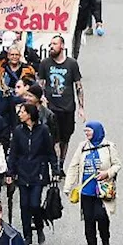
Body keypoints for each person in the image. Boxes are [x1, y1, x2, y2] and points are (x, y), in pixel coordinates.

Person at [64, 121, 121, 245]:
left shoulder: (109, 147)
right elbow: (74, 166)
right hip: (86, 189)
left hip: (103, 189)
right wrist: (68, 186)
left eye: (89, 131)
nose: (86, 134)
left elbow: (117, 165)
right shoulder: (82, 147)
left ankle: (105, 241)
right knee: (88, 218)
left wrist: (107, 173)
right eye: (85, 131)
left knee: (101, 216)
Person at [8, 103, 59, 245]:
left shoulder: (43, 130)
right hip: (22, 171)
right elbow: (13, 153)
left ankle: (39, 226)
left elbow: (50, 151)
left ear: (30, 114)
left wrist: (55, 169)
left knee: (34, 204)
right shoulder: (18, 131)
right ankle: (27, 235)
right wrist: (10, 172)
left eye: (23, 112)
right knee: (24, 205)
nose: (20, 114)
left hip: (39, 171)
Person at [37, 35, 84, 165]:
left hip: (67, 107)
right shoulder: (45, 63)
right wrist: (41, 99)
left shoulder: (72, 64)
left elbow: (78, 86)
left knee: (65, 137)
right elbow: (40, 84)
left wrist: (81, 107)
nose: (51, 46)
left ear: (62, 46)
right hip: (51, 108)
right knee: (52, 138)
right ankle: (54, 164)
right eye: (50, 44)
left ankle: (61, 162)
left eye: (54, 44)